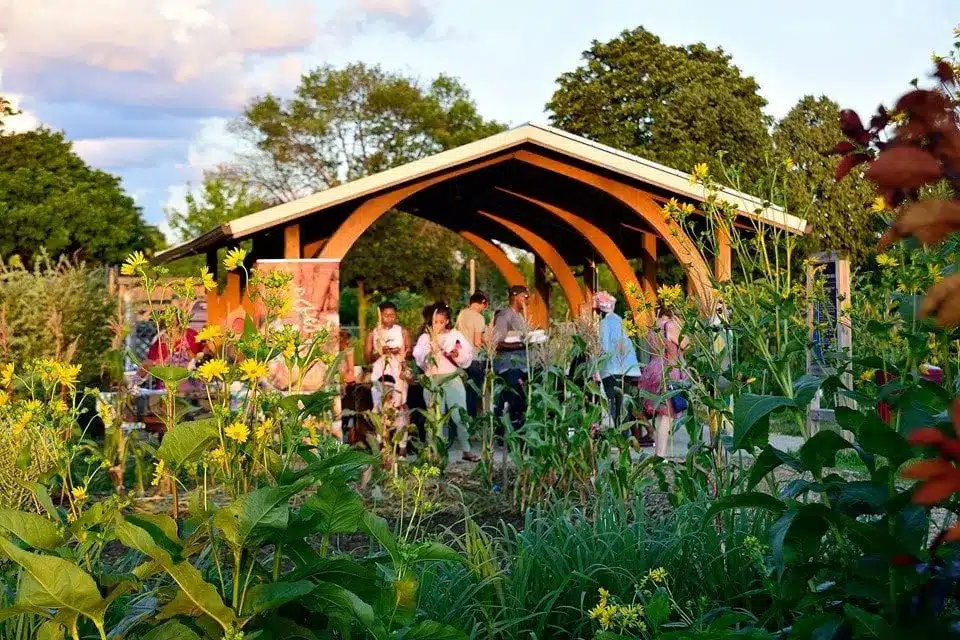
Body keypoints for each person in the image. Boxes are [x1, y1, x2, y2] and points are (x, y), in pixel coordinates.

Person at [413, 305, 479, 461]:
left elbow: (466, 353)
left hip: (451, 378)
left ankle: (466, 449)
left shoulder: (455, 335)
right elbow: (419, 358)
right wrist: (430, 352)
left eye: (441, 322)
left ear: (447, 321)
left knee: (460, 414)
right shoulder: (425, 338)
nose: (438, 325)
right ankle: (436, 452)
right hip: (432, 381)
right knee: (435, 416)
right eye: (435, 322)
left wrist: (457, 354)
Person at [637, 303, 689, 457]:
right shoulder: (670, 325)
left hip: (653, 369)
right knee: (667, 415)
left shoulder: (654, 326)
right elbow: (685, 344)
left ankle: (658, 454)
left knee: (661, 415)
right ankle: (660, 455)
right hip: (669, 370)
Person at [594, 291, 644, 439]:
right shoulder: (620, 320)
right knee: (624, 402)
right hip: (628, 369)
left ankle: (617, 436)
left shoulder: (604, 323)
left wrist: (596, 366)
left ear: (599, 310)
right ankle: (625, 436)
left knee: (613, 403)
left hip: (612, 369)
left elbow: (604, 348)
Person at [365, 302, 412, 451]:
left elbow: (409, 353)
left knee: (399, 409)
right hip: (380, 376)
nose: (389, 318)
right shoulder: (373, 333)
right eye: (386, 315)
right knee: (380, 410)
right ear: (380, 317)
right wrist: (381, 352)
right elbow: (367, 358)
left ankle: (402, 448)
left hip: (397, 377)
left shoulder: (402, 332)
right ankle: (382, 447)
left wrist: (400, 351)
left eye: (392, 315)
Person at [492, 285, 531, 430]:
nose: (526, 301)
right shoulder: (504, 316)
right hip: (508, 366)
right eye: (524, 297)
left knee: (521, 400)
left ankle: (517, 429)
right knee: (511, 399)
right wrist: (522, 345)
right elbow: (497, 343)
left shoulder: (520, 316)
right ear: (516, 297)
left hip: (521, 365)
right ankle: (503, 431)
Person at [456, 291, 489, 417]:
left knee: (462, 391)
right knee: (473, 392)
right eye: (485, 307)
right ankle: (470, 419)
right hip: (474, 359)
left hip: (461, 358)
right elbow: (477, 341)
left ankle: (461, 417)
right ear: (482, 303)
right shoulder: (478, 317)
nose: (484, 310)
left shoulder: (462, 314)